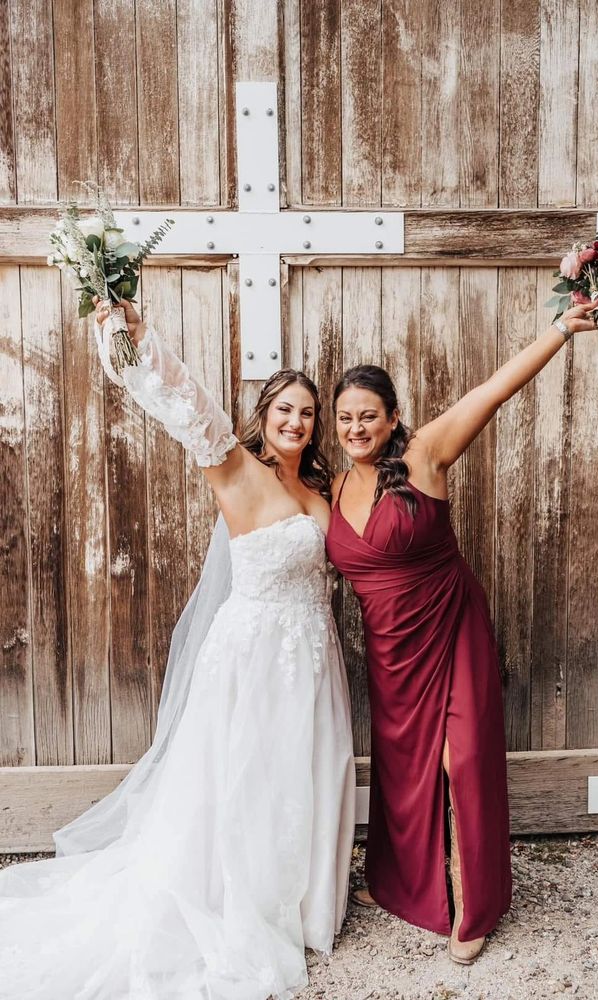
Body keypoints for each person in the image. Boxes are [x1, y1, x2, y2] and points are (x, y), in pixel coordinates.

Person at [0, 299, 356, 1000]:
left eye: (307, 413)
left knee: (303, 769)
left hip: (312, 654)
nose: (295, 422)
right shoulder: (231, 466)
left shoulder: (320, 485)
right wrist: (132, 337)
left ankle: (305, 899)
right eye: (284, 409)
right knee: (244, 777)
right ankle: (236, 897)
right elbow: (183, 400)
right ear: (263, 415)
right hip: (253, 653)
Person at [325, 300, 598, 964]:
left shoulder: (425, 453)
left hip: (450, 632)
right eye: (344, 418)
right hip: (390, 651)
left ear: (392, 417)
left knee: (462, 761)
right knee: (401, 768)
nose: (355, 427)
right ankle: (400, 883)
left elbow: (496, 388)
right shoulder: (332, 488)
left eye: (368, 415)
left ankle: (472, 901)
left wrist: (561, 328)